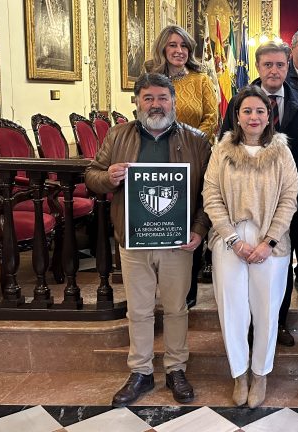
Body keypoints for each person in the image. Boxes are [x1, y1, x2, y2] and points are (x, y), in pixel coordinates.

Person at [85, 73, 211, 407]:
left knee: (175, 308)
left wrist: (198, 229)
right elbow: (91, 175)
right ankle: (140, 371)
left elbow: (208, 194)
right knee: (139, 310)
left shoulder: (197, 140)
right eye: (148, 98)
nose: (155, 104)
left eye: (162, 98)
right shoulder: (118, 135)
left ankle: (175, 369)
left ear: (173, 101)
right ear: (138, 101)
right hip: (133, 240)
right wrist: (107, 177)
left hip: (177, 243)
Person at [202, 86, 298, 408]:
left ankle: (260, 373)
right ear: (237, 116)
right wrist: (232, 239)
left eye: (260, 111)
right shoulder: (222, 150)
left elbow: (289, 198)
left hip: (270, 242)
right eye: (247, 111)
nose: (254, 117)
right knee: (233, 310)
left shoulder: (282, 152)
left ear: (269, 116)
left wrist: (268, 241)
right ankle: (239, 373)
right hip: (229, 240)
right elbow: (211, 196)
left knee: (267, 311)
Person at [221, 42, 298, 348]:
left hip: (290, 199)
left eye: (280, 65)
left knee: (281, 263)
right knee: (246, 268)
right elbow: (227, 142)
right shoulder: (240, 102)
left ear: (287, 67)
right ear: (258, 68)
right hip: (248, 201)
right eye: (267, 65)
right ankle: (250, 325)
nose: (274, 70)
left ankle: (278, 320)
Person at [144, 25, 219, 309]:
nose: (179, 51)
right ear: (163, 48)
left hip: (194, 157)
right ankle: (158, 287)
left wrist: (188, 145)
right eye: (173, 45)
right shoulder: (151, 79)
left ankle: (187, 293)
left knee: (190, 217)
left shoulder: (200, 80)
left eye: (184, 46)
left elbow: (212, 118)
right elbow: (144, 114)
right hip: (156, 157)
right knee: (160, 212)